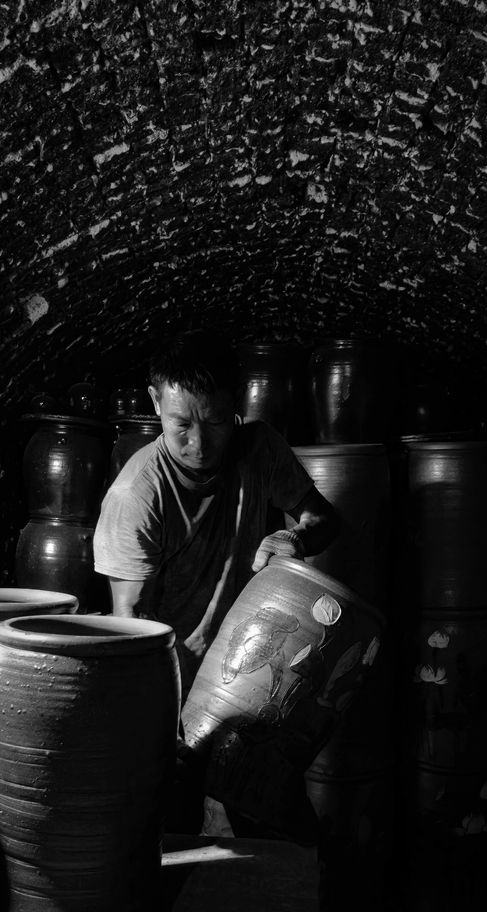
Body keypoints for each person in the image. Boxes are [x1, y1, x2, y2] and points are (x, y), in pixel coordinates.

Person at [93, 328, 340, 843]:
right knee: (171, 835)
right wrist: (163, 725)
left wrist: (295, 537)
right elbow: (128, 624)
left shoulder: (260, 447)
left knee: (282, 829)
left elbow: (325, 519)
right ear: (155, 400)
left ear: (236, 405)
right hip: (175, 692)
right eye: (181, 424)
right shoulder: (138, 496)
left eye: (215, 422)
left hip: (248, 675)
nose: (199, 444)